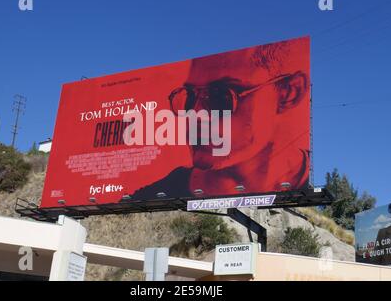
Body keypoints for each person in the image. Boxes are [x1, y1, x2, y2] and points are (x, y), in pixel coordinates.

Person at [129, 37, 310, 201]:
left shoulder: (308, 185)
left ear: (289, 93)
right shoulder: (153, 196)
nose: (196, 115)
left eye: (220, 97)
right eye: (189, 98)